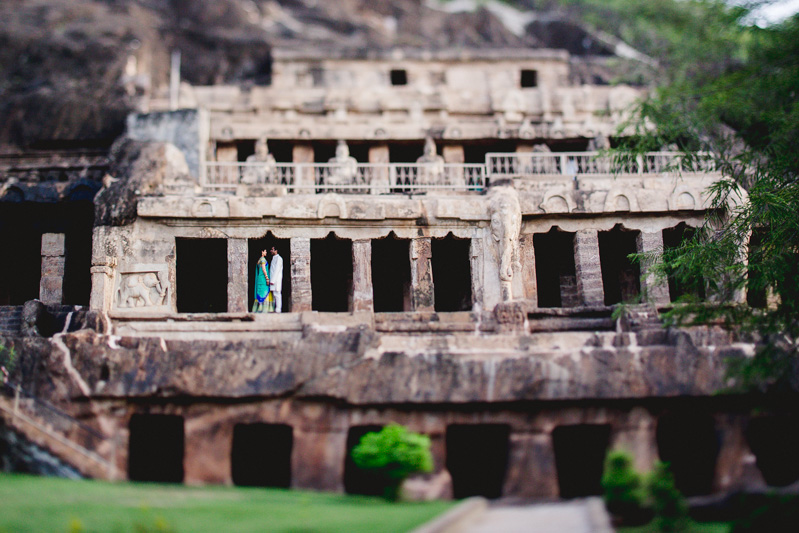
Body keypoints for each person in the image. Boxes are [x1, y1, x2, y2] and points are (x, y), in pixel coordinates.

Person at [269, 246, 284, 313]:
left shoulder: (279, 258)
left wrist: (273, 280)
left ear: (276, 250)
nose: (271, 251)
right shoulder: (274, 258)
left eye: (272, 249)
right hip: (273, 279)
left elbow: (277, 270)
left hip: (276, 280)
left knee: (277, 294)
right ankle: (274, 308)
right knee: (274, 294)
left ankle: (278, 309)